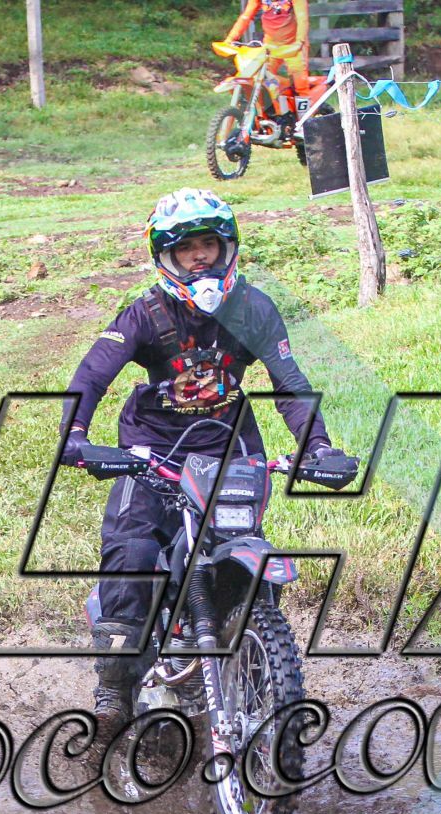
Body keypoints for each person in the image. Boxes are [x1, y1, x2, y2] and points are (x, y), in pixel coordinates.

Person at [59, 187, 354, 737]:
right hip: (151, 447)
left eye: (209, 246)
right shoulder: (145, 312)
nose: (200, 257)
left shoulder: (254, 308)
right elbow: (91, 376)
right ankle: (114, 689)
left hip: (229, 444)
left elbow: (289, 384)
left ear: (228, 248)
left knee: (241, 547)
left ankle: (250, 659)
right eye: (186, 248)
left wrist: (319, 447)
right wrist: (74, 437)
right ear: (166, 257)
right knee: (133, 552)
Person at [224, 0, 314, 102]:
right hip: (270, 46)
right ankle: (270, 107)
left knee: (300, 83)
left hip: (293, 47)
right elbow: (246, 16)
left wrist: (299, 42)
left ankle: (306, 110)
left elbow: (302, 19)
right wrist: (230, 39)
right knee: (260, 78)